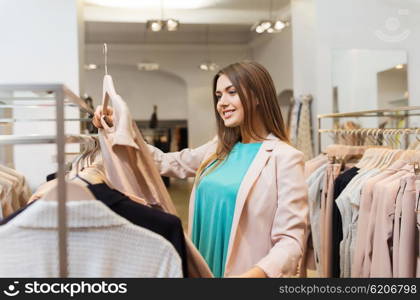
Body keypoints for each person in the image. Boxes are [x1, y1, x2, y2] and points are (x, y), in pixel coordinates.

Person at [92, 61, 308, 278]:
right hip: (201, 270)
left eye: (231, 92)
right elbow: (168, 162)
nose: (222, 103)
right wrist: (118, 126)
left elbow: (291, 242)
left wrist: (253, 276)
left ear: (258, 96)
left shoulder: (285, 158)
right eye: (218, 95)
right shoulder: (219, 147)